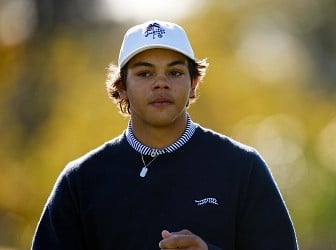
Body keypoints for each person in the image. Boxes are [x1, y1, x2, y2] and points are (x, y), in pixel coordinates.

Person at [32, 20, 298, 250]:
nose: (161, 83)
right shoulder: (80, 180)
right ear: (122, 87)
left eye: (175, 72)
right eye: (145, 73)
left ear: (193, 84)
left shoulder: (242, 168)